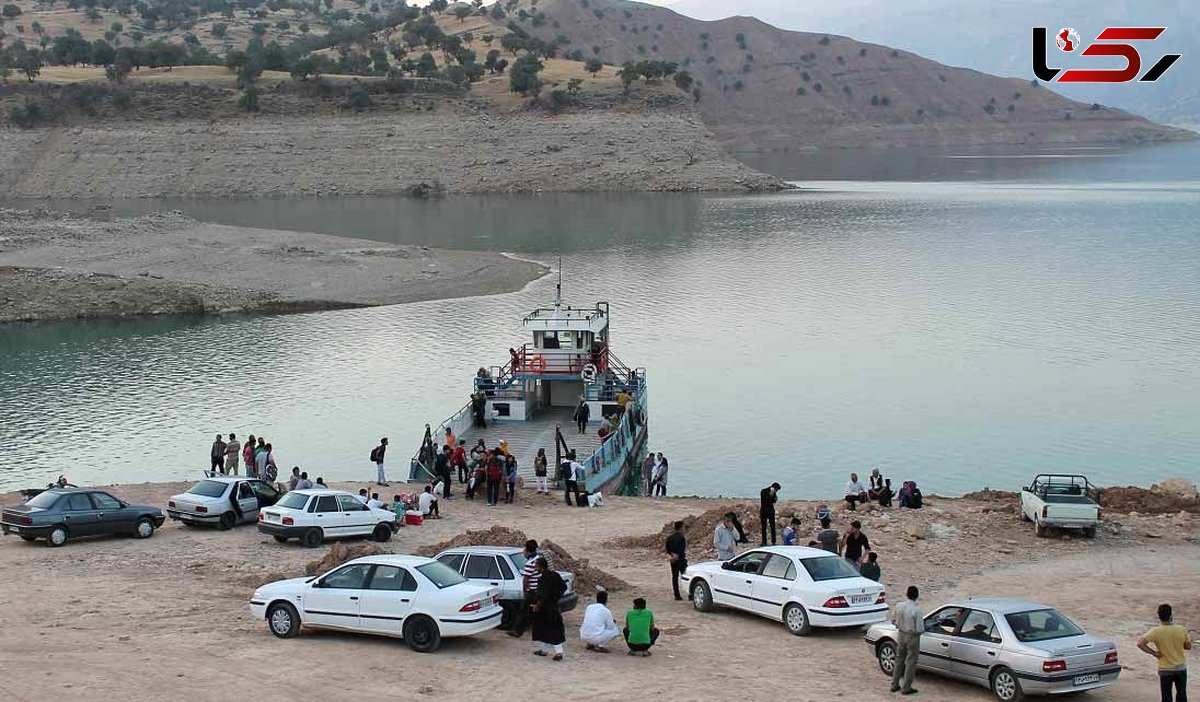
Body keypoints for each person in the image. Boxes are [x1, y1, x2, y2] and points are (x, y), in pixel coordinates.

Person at [1137, 603, 1190, 702]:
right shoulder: (1181, 629)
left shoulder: (1155, 631)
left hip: (1165, 669)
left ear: (1159, 617)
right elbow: (1188, 647)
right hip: (1180, 668)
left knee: (1166, 696)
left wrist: (1154, 653)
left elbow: (1140, 643)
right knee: (1182, 695)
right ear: (1171, 616)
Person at [531, 558, 567, 661]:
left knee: (549, 629)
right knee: (549, 628)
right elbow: (563, 587)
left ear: (540, 566)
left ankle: (559, 652)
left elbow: (543, 595)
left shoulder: (543, 579)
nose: (535, 568)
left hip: (545, 609)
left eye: (536, 566)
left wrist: (537, 606)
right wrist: (556, 597)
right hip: (554, 606)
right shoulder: (555, 575)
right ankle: (544, 650)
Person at [507, 540, 544, 638]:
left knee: (523, 611)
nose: (523, 551)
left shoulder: (529, 563)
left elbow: (526, 579)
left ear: (527, 550)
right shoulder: (538, 558)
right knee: (536, 610)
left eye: (524, 549)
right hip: (539, 589)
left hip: (531, 591)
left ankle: (517, 631)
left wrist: (525, 590)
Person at [891, 586, 924, 695]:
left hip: (901, 634)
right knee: (911, 661)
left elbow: (893, 620)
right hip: (912, 636)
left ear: (907, 594)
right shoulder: (917, 609)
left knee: (899, 659)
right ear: (917, 596)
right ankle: (906, 687)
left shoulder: (899, 605)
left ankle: (894, 684)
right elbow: (920, 629)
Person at [665, 520, 687, 601]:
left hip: (673, 560)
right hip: (681, 559)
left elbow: (667, 548)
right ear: (681, 528)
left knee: (675, 577)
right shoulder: (682, 538)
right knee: (685, 576)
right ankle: (690, 594)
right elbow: (682, 549)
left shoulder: (670, 538)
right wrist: (677, 555)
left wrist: (672, 555)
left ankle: (677, 595)